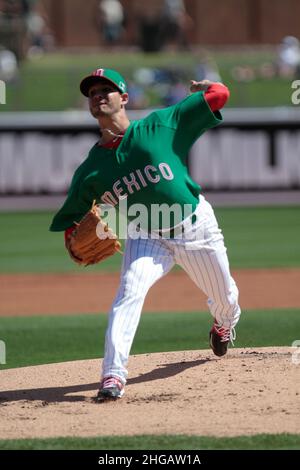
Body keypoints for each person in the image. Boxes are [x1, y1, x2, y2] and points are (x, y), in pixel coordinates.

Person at [50, 68, 241, 401]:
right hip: (145, 234)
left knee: (226, 300)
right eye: (92, 92)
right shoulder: (91, 169)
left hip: (196, 227)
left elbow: (219, 96)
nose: (97, 95)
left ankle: (223, 324)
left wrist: (205, 87)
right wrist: (72, 237)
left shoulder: (160, 126)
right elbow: (70, 217)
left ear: (124, 98)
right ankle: (113, 376)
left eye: (105, 90)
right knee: (128, 294)